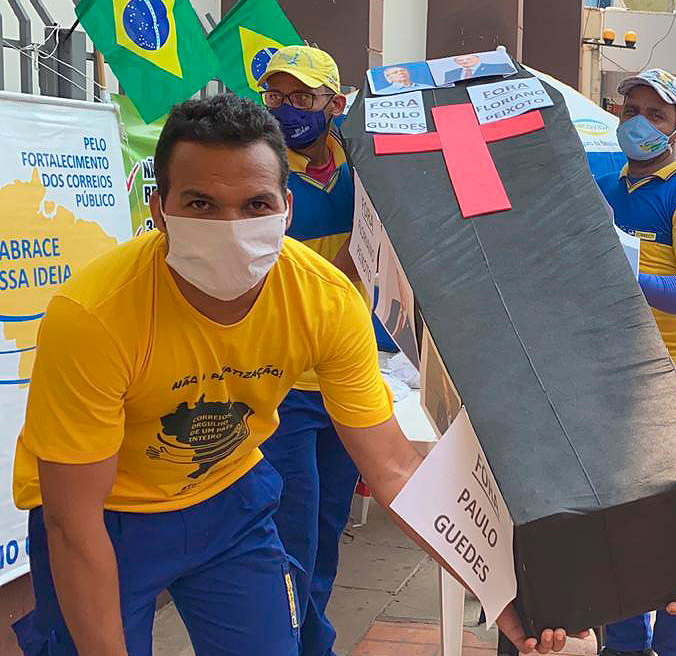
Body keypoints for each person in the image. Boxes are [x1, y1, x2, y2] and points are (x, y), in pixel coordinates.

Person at [9, 93, 595, 656]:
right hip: (109, 521)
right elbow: (73, 520)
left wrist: (500, 591)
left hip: (228, 503)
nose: (230, 226)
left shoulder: (323, 299)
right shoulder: (96, 317)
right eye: (201, 204)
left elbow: (392, 467)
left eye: (256, 205)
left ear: (286, 209)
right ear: (159, 210)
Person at [594, 68, 676, 656]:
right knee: (618, 527)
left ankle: (675, 649)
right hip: (607, 373)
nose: (640, 123)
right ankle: (623, 644)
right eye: (630, 111)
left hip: (668, 379)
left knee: (672, 533)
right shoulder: (603, 185)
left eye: (656, 114)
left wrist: (631, 277)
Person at [256, 45, 367, 656]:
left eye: (302, 97)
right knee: (290, 529)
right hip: (286, 384)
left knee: (327, 529)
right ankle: (295, 640)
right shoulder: (266, 174)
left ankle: (307, 633)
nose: (286, 109)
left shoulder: (366, 167)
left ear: (335, 104)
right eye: (276, 96)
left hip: (350, 378)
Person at [441, 53, 516, 84]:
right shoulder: (450, 74)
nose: (465, 61)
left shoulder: (497, 67)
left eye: (469, 59)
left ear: (478, 59)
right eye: (460, 60)